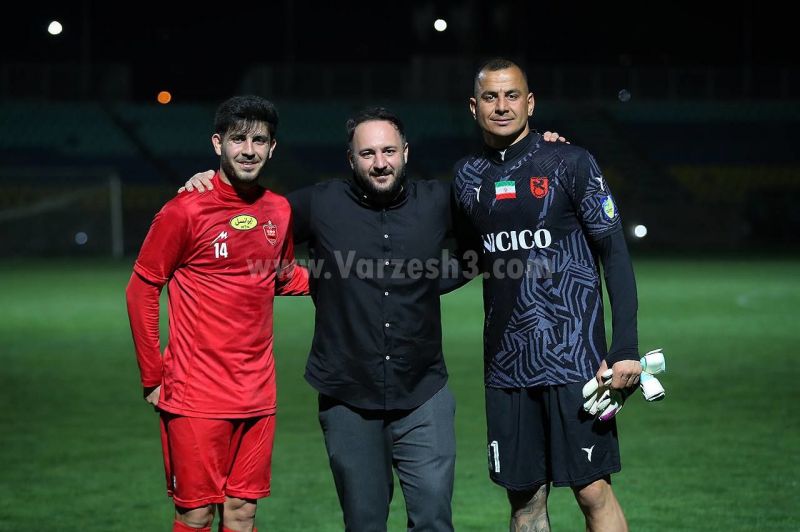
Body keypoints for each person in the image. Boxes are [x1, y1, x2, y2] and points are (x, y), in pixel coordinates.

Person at [183, 107, 566, 531]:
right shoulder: (319, 203)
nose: (379, 162)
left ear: (405, 152)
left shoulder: (439, 200)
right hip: (347, 397)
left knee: (434, 521)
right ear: (351, 160)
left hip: (424, 395)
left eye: (388, 151)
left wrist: (543, 152)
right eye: (367, 153)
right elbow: (251, 228)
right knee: (364, 524)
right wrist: (210, 182)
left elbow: (489, 233)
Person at [452, 57, 643, 532]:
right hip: (506, 366)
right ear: (473, 107)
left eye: (512, 95)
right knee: (524, 501)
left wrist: (624, 348)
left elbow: (614, 254)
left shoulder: (571, 162)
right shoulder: (466, 177)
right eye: (491, 97)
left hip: (575, 360)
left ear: (530, 102)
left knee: (593, 490)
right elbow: (469, 260)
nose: (502, 106)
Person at [126, 95, 309, 532]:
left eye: (259, 140)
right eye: (238, 139)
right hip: (196, 392)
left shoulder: (278, 210)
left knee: (244, 512)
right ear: (217, 143)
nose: (248, 149)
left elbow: (281, 276)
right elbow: (142, 288)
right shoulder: (184, 209)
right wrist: (153, 375)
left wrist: (348, 279)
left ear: (272, 148)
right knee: (196, 513)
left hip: (258, 392)